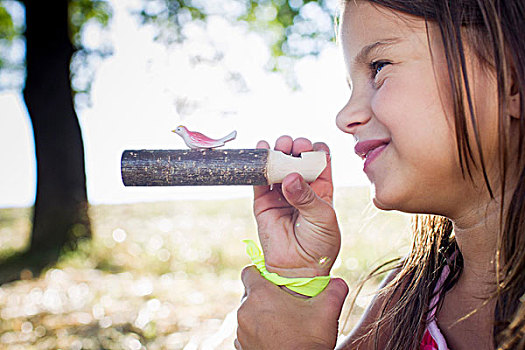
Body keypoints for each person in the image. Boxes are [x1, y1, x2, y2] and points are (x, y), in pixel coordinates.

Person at [235, 0, 525, 349]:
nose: (344, 117)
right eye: (350, 86)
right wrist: (296, 281)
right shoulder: (406, 300)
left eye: (379, 67)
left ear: (509, 81)